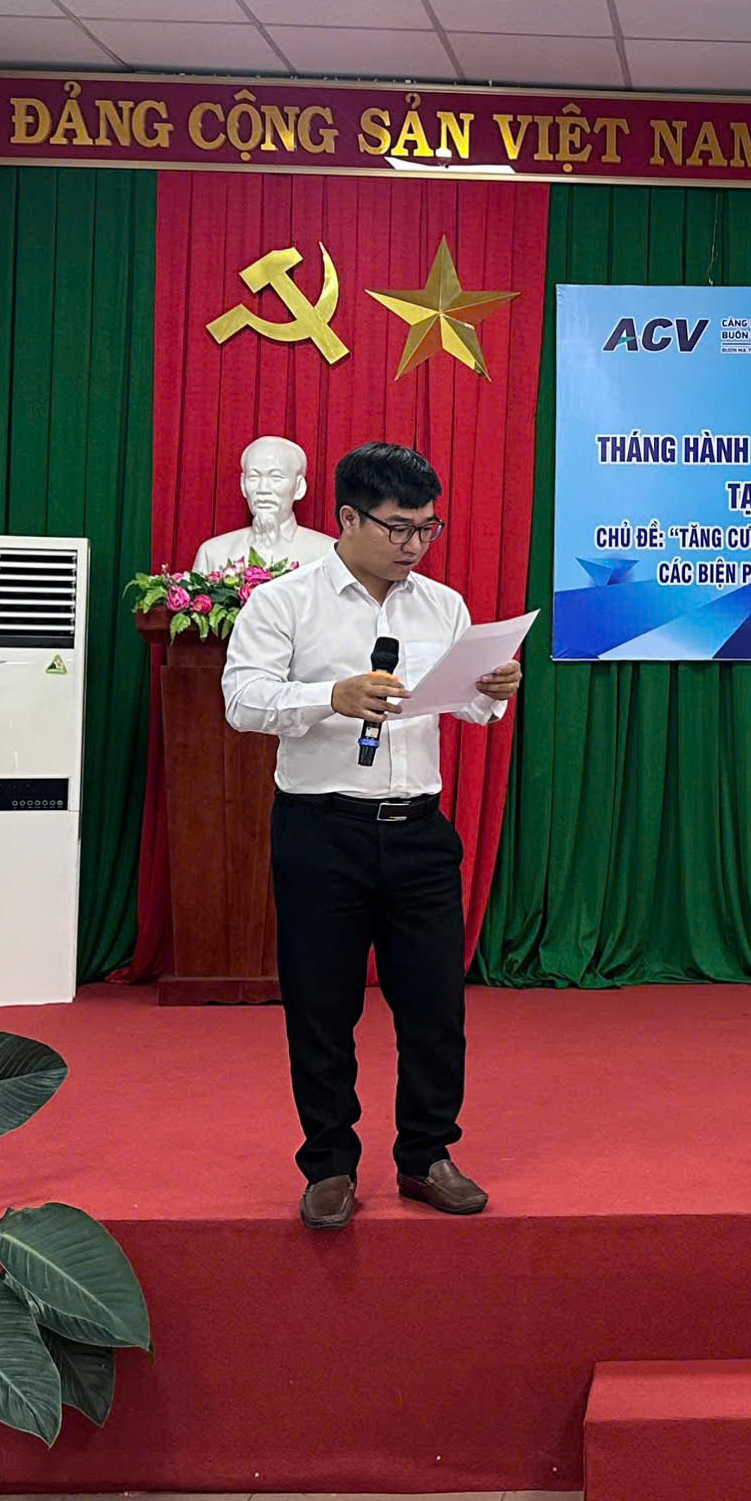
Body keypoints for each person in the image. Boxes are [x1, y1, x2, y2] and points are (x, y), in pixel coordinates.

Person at [220, 441, 522, 1229]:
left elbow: (468, 706)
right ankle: (329, 1164)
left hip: (419, 831)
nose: (414, 543)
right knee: (322, 1008)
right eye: (397, 527)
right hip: (322, 831)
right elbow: (242, 700)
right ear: (348, 518)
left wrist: (493, 687)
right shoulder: (284, 602)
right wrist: (332, 695)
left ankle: (427, 1155)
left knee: (434, 1008)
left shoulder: (442, 604)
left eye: (427, 526)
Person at [192, 436, 340, 575]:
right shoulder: (213, 554)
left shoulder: (327, 554)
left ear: (299, 487)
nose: (263, 489)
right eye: (254, 477)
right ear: (243, 485)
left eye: (276, 477)